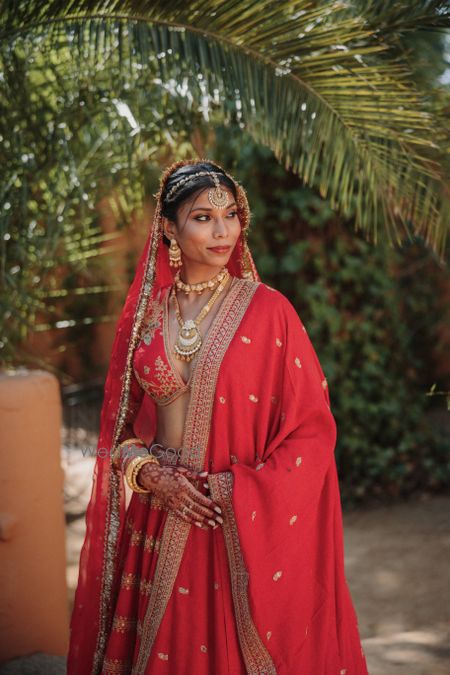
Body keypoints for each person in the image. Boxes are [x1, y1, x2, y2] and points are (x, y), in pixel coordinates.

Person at [67, 158, 369, 675]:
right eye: (203, 217)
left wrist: (235, 489)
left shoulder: (270, 312)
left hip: (231, 521)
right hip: (160, 520)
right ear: (168, 227)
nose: (222, 229)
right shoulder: (146, 316)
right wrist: (151, 475)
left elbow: (312, 432)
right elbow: (120, 434)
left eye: (229, 214)